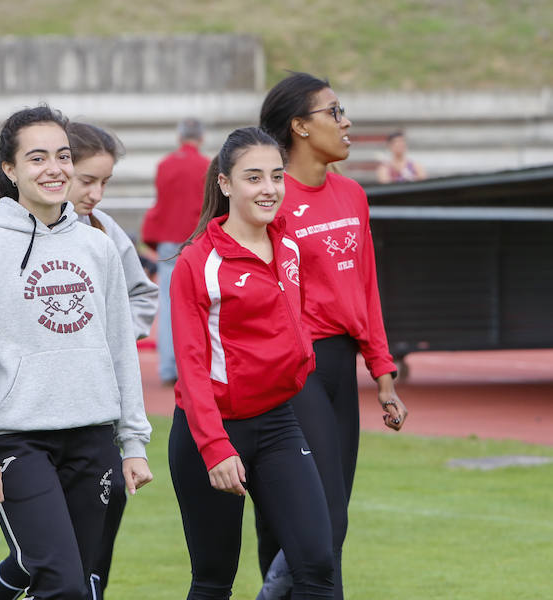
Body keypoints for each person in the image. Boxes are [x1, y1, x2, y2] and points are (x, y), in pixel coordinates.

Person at [0, 120, 159, 600]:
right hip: (18, 442)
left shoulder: (99, 245)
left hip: (93, 437)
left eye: (63, 156)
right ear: (10, 167)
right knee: (61, 584)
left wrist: (132, 440)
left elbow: (119, 349)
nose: (56, 168)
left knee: (80, 579)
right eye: (38, 157)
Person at [255, 72, 409, 600]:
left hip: (341, 367)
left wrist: (383, 372)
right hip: (293, 370)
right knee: (323, 520)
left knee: (316, 519)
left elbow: (366, 288)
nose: (347, 124)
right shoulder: (270, 199)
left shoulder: (353, 195)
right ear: (299, 126)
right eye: (334, 112)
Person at [168, 126, 334, 600]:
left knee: (317, 564)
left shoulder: (289, 247)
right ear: (225, 184)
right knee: (215, 579)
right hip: (213, 432)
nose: (269, 189)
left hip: (279, 423)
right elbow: (192, 367)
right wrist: (216, 447)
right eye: (254, 177)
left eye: (277, 177)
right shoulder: (196, 264)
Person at [140, 117, 210, 385]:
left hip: (170, 241)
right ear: (200, 137)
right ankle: (195, 367)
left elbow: (162, 203)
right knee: (201, 306)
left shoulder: (166, 165)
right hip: (198, 240)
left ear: (179, 137)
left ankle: (170, 368)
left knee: (169, 306)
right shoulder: (207, 166)